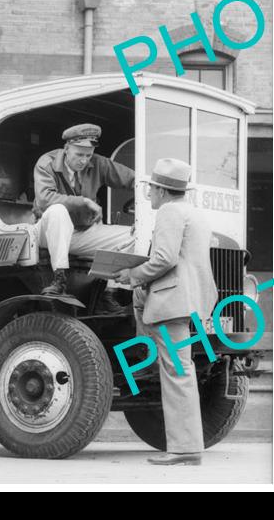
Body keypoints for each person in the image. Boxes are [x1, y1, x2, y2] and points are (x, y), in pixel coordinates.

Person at [113, 158, 218, 466]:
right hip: (187, 301)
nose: (150, 195)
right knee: (179, 372)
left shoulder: (171, 212)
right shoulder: (193, 213)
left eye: (152, 189)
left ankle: (185, 449)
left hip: (170, 302)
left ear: (160, 190)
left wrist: (131, 277)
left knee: (177, 374)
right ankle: (187, 446)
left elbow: (163, 259)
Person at [32, 123, 135, 295]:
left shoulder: (98, 163)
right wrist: (84, 201)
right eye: (79, 154)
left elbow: (134, 179)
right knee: (58, 210)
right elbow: (45, 200)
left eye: (88, 155)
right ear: (66, 149)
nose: (84, 160)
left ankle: (109, 293)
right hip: (47, 233)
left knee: (135, 236)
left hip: (82, 232)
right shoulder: (46, 162)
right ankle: (59, 280)